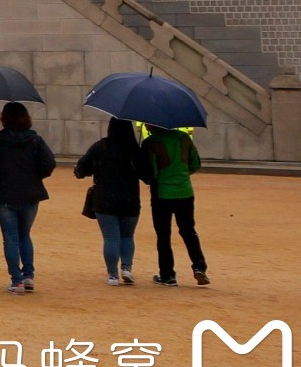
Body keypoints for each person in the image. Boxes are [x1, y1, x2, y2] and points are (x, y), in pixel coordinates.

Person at [0, 101, 56, 294]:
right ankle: (28, 275)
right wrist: (36, 176)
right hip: (30, 193)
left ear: (4, 119)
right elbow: (49, 163)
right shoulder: (35, 140)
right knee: (25, 235)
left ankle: (16, 281)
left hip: (5, 194)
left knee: (10, 238)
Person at [74, 116, 146, 286]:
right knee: (128, 236)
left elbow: (82, 169)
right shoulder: (134, 150)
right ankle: (127, 268)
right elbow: (147, 175)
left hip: (105, 199)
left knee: (111, 238)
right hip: (130, 199)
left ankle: (112, 274)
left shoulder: (100, 147)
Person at [143, 124, 209, 287]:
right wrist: (181, 176)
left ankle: (167, 274)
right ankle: (199, 267)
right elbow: (195, 164)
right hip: (185, 191)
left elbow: (151, 173)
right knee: (188, 231)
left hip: (162, 194)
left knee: (163, 235)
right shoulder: (183, 138)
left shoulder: (150, 142)